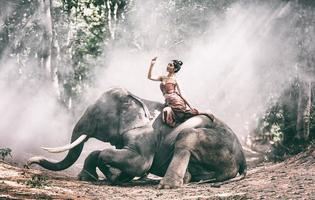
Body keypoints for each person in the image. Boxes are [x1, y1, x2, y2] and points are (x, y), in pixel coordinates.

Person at [147, 57, 199, 127]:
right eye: (168, 64)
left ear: (175, 69)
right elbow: (149, 77)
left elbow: (181, 94)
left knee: (170, 113)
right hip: (169, 102)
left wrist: (190, 106)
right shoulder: (163, 77)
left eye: (170, 65)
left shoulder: (175, 80)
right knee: (166, 113)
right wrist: (152, 65)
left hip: (177, 102)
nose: (168, 66)